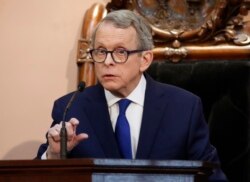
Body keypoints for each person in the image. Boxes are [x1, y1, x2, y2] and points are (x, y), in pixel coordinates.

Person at [36, 10, 227, 181]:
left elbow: (212, 177)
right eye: (101, 51)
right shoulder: (71, 107)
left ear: (145, 60)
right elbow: (37, 176)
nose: (108, 61)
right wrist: (54, 155)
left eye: (120, 52)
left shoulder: (184, 107)